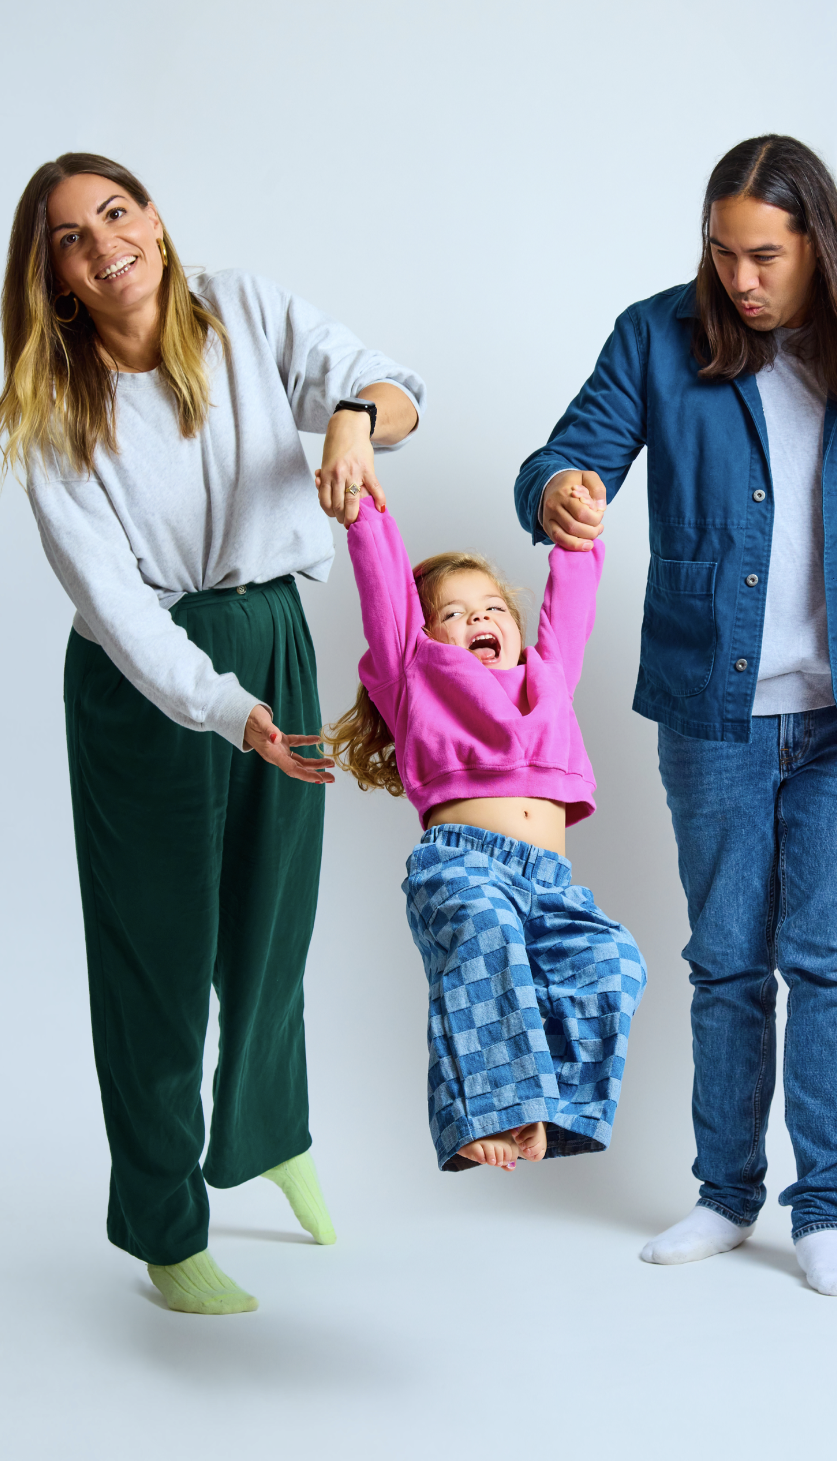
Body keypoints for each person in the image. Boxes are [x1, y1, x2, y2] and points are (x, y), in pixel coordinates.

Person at [514, 135, 837, 1296]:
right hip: (713, 705)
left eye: (763, 255)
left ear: (821, 243)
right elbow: (563, 454)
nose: (740, 279)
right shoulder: (657, 334)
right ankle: (723, 1194)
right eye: (720, 252)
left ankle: (826, 1207)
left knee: (833, 961)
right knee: (729, 961)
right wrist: (556, 489)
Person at [0, 152, 424, 1314]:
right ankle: (164, 1222)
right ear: (56, 279)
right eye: (70, 239)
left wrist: (348, 422)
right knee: (160, 959)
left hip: (275, 627)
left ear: (158, 222)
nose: (102, 244)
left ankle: (270, 1134)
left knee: (273, 922)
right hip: (148, 688)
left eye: (115, 213)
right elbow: (120, 610)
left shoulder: (242, 307)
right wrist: (228, 711)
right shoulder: (50, 415)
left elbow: (398, 388)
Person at [325, 486, 646, 1172]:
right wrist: (366, 512)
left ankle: (547, 1110)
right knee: (486, 938)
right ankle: (484, 1113)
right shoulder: (416, 674)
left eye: (493, 608)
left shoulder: (549, 674)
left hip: (551, 885)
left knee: (615, 963)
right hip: (464, 865)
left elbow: (575, 597)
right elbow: (385, 589)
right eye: (455, 612)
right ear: (425, 633)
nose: (480, 617)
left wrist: (578, 532)